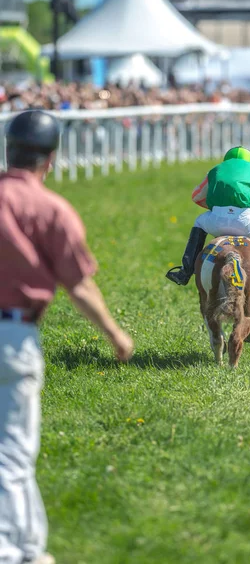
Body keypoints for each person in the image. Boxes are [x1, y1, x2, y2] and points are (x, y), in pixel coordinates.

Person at [0, 110, 134, 564]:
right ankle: (17, 551)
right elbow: (78, 284)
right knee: (13, 453)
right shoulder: (51, 209)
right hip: (13, 335)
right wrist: (115, 334)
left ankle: (27, 548)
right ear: (50, 160)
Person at [166, 146, 250, 289]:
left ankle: (185, 272)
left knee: (199, 222)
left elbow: (196, 196)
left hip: (216, 221)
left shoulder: (216, 169)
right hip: (246, 222)